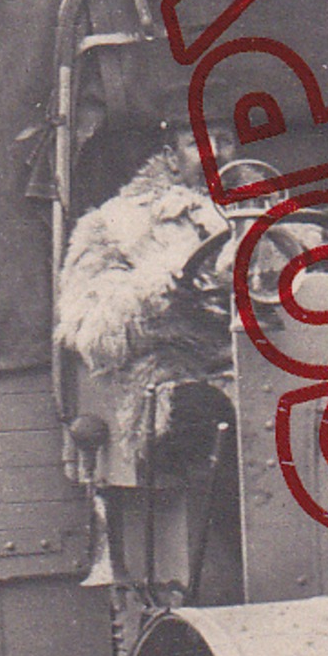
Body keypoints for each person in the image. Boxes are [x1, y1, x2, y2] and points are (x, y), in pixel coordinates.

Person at [56, 118, 237, 456]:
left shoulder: (267, 214)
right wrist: (157, 288)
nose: (214, 154)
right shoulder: (117, 224)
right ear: (171, 157)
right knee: (209, 416)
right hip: (169, 377)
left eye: (224, 140)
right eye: (196, 143)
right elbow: (88, 331)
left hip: (264, 365)